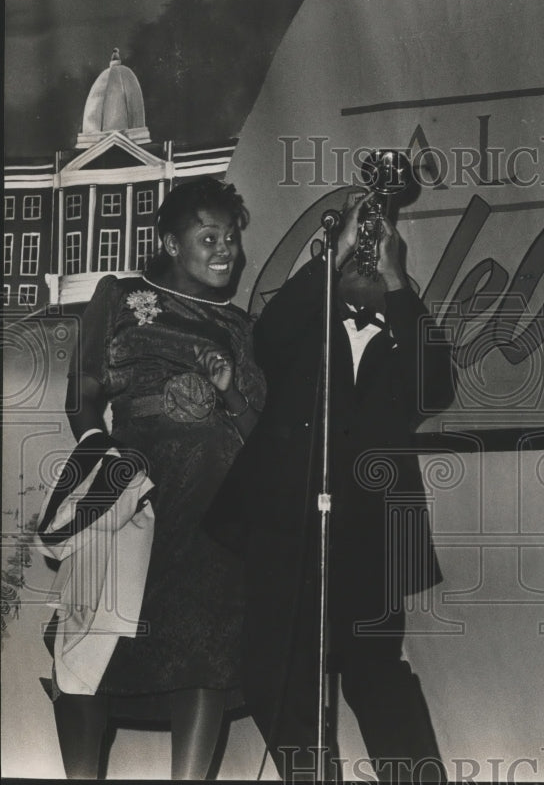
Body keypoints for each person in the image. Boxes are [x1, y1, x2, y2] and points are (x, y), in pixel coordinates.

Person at [207, 193, 455, 782]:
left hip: (369, 537)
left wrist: (396, 284)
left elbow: (435, 388)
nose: (364, 262)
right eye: (355, 256)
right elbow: (266, 338)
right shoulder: (305, 324)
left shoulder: (404, 325)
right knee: (279, 677)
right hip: (286, 528)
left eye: (378, 254)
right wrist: (332, 255)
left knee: (375, 676)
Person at [50, 177, 265, 779]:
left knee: (205, 643)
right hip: (130, 494)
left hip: (213, 506)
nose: (227, 250)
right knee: (88, 644)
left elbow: (257, 426)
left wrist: (227, 392)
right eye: (209, 237)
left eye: (232, 238)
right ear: (171, 242)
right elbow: (83, 393)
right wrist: (99, 457)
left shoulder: (242, 326)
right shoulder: (118, 296)